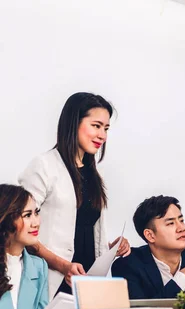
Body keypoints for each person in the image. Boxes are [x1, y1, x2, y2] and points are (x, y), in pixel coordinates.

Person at [19, 93, 131, 297]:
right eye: (96, 126)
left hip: (87, 280)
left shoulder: (96, 173)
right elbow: (19, 227)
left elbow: (82, 231)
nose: (103, 136)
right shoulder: (44, 166)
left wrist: (111, 248)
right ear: (74, 123)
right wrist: (62, 265)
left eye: (106, 129)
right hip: (52, 278)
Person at [111, 195, 185, 299]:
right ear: (150, 235)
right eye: (170, 223)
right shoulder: (127, 265)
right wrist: (183, 277)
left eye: (181, 220)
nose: (181, 228)